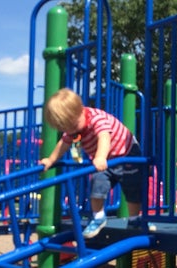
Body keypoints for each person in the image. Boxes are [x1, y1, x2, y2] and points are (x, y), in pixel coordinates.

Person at [40, 88, 150, 239]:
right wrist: (51, 160)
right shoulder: (72, 127)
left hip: (127, 152)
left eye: (72, 126)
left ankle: (134, 219)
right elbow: (64, 143)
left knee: (132, 188)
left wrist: (100, 157)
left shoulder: (96, 118)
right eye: (65, 128)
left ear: (80, 111)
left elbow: (104, 137)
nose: (70, 131)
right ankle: (98, 217)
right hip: (106, 160)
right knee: (97, 185)